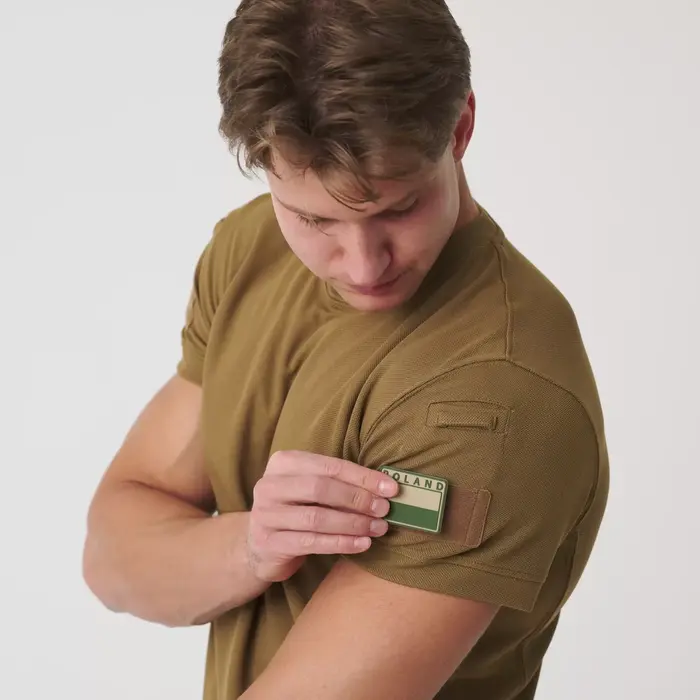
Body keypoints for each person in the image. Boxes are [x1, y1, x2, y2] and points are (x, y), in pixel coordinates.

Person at [82, 1, 609, 698]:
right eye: (314, 218)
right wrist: (252, 546)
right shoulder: (249, 250)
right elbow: (111, 556)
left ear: (460, 129)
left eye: (399, 208)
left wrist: (204, 547)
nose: (363, 265)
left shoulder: (496, 394)